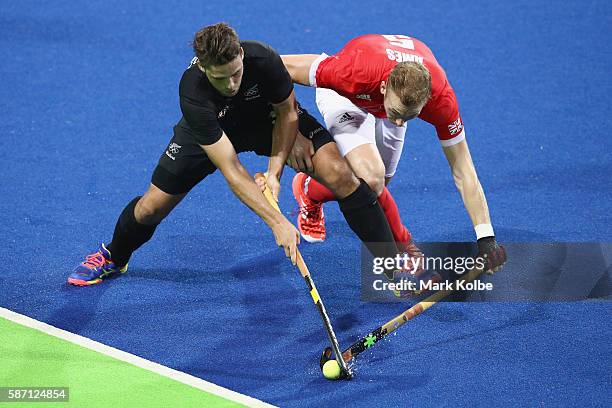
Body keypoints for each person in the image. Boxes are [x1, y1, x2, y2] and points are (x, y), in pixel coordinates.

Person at [68, 23, 400, 286]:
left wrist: (274, 172)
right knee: (151, 207)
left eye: (236, 73)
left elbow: (286, 112)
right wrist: (277, 222)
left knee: (340, 174)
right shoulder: (193, 92)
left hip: (266, 119)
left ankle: (391, 267)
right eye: (220, 78)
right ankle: (114, 255)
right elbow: (231, 169)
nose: (230, 84)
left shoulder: (264, 59)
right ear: (204, 68)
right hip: (213, 133)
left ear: (241, 55)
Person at [282, 34, 506, 273]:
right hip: (349, 97)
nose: (400, 123)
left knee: (374, 188)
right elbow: (276, 67)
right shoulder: (349, 72)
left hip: (383, 102)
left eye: (410, 116)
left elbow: (463, 169)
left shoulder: (440, 100)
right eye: (398, 113)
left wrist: (486, 238)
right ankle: (405, 246)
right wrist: (293, 129)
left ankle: (308, 189)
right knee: (372, 177)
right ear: (384, 86)